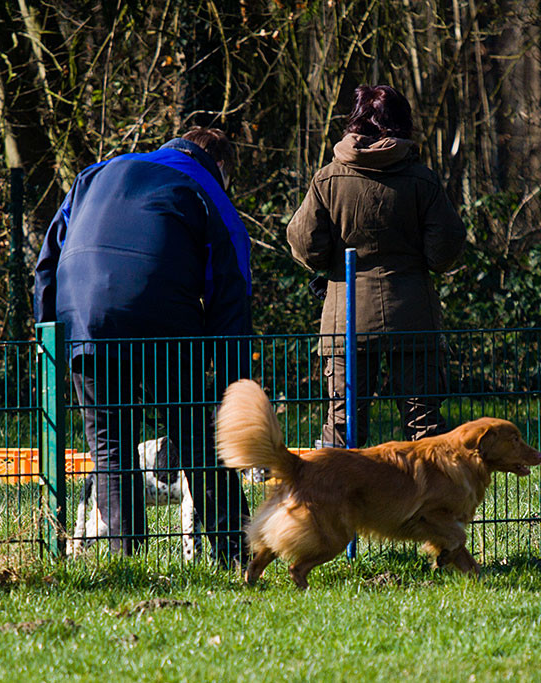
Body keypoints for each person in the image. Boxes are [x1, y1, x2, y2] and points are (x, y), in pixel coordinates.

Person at [34, 127, 251, 566]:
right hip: (163, 320)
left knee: (111, 445)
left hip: (85, 321)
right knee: (196, 436)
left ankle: (126, 564)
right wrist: (234, 385)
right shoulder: (206, 187)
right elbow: (232, 289)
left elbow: (47, 262)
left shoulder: (94, 173)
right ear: (222, 167)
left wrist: (48, 337)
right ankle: (235, 553)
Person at [287, 85, 466, 447]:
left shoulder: (327, 178)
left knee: (344, 424)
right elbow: (445, 250)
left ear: (355, 120)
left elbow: (306, 244)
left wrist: (331, 261)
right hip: (413, 314)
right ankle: (432, 503)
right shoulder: (423, 180)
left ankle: (336, 501)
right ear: (402, 123)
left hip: (346, 314)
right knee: (425, 427)